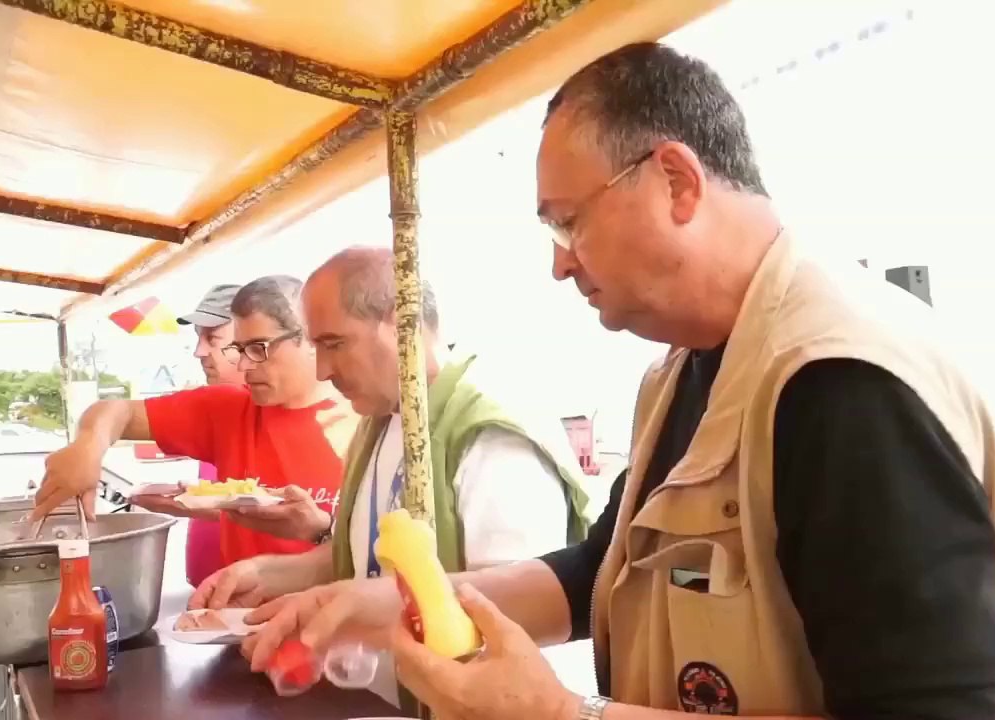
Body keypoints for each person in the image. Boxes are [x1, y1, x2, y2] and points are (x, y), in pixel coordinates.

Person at [241, 43, 995, 720]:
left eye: (568, 222)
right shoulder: (685, 372)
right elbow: (598, 571)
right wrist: (381, 604)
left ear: (676, 180)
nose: (560, 262)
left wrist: (563, 714)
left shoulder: (840, 381)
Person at [191, 246, 594, 706]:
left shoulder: (489, 433)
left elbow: (515, 607)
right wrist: (274, 574)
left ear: (401, 323)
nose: (323, 369)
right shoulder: (381, 417)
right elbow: (372, 559)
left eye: (334, 344)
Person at [34, 275, 358, 571]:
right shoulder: (227, 410)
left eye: (259, 348)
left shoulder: (366, 423)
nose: (244, 365)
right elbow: (118, 411)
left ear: (312, 340)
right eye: (239, 349)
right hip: (240, 624)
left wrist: (321, 530)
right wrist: (88, 447)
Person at [129, 283, 246, 588]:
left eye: (212, 338)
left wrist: (193, 505)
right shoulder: (214, 405)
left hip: (248, 597)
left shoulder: (275, 410)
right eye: (198, 338)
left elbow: (280, 513)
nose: (199, 352)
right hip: (207, 588)